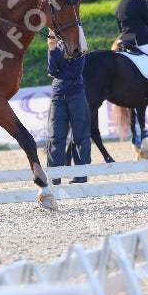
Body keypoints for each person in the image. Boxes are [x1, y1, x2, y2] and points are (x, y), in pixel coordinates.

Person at [46, 33, 92, 184]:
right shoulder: (55, 48)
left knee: (80, 136)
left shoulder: (80, 47)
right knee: (55, 136)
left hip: (76, 96)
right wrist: (52, 49)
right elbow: (52, 71)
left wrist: (58, 73)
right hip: (58, 96)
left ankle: (81, 175)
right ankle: (54, 176)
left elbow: (75, 73)